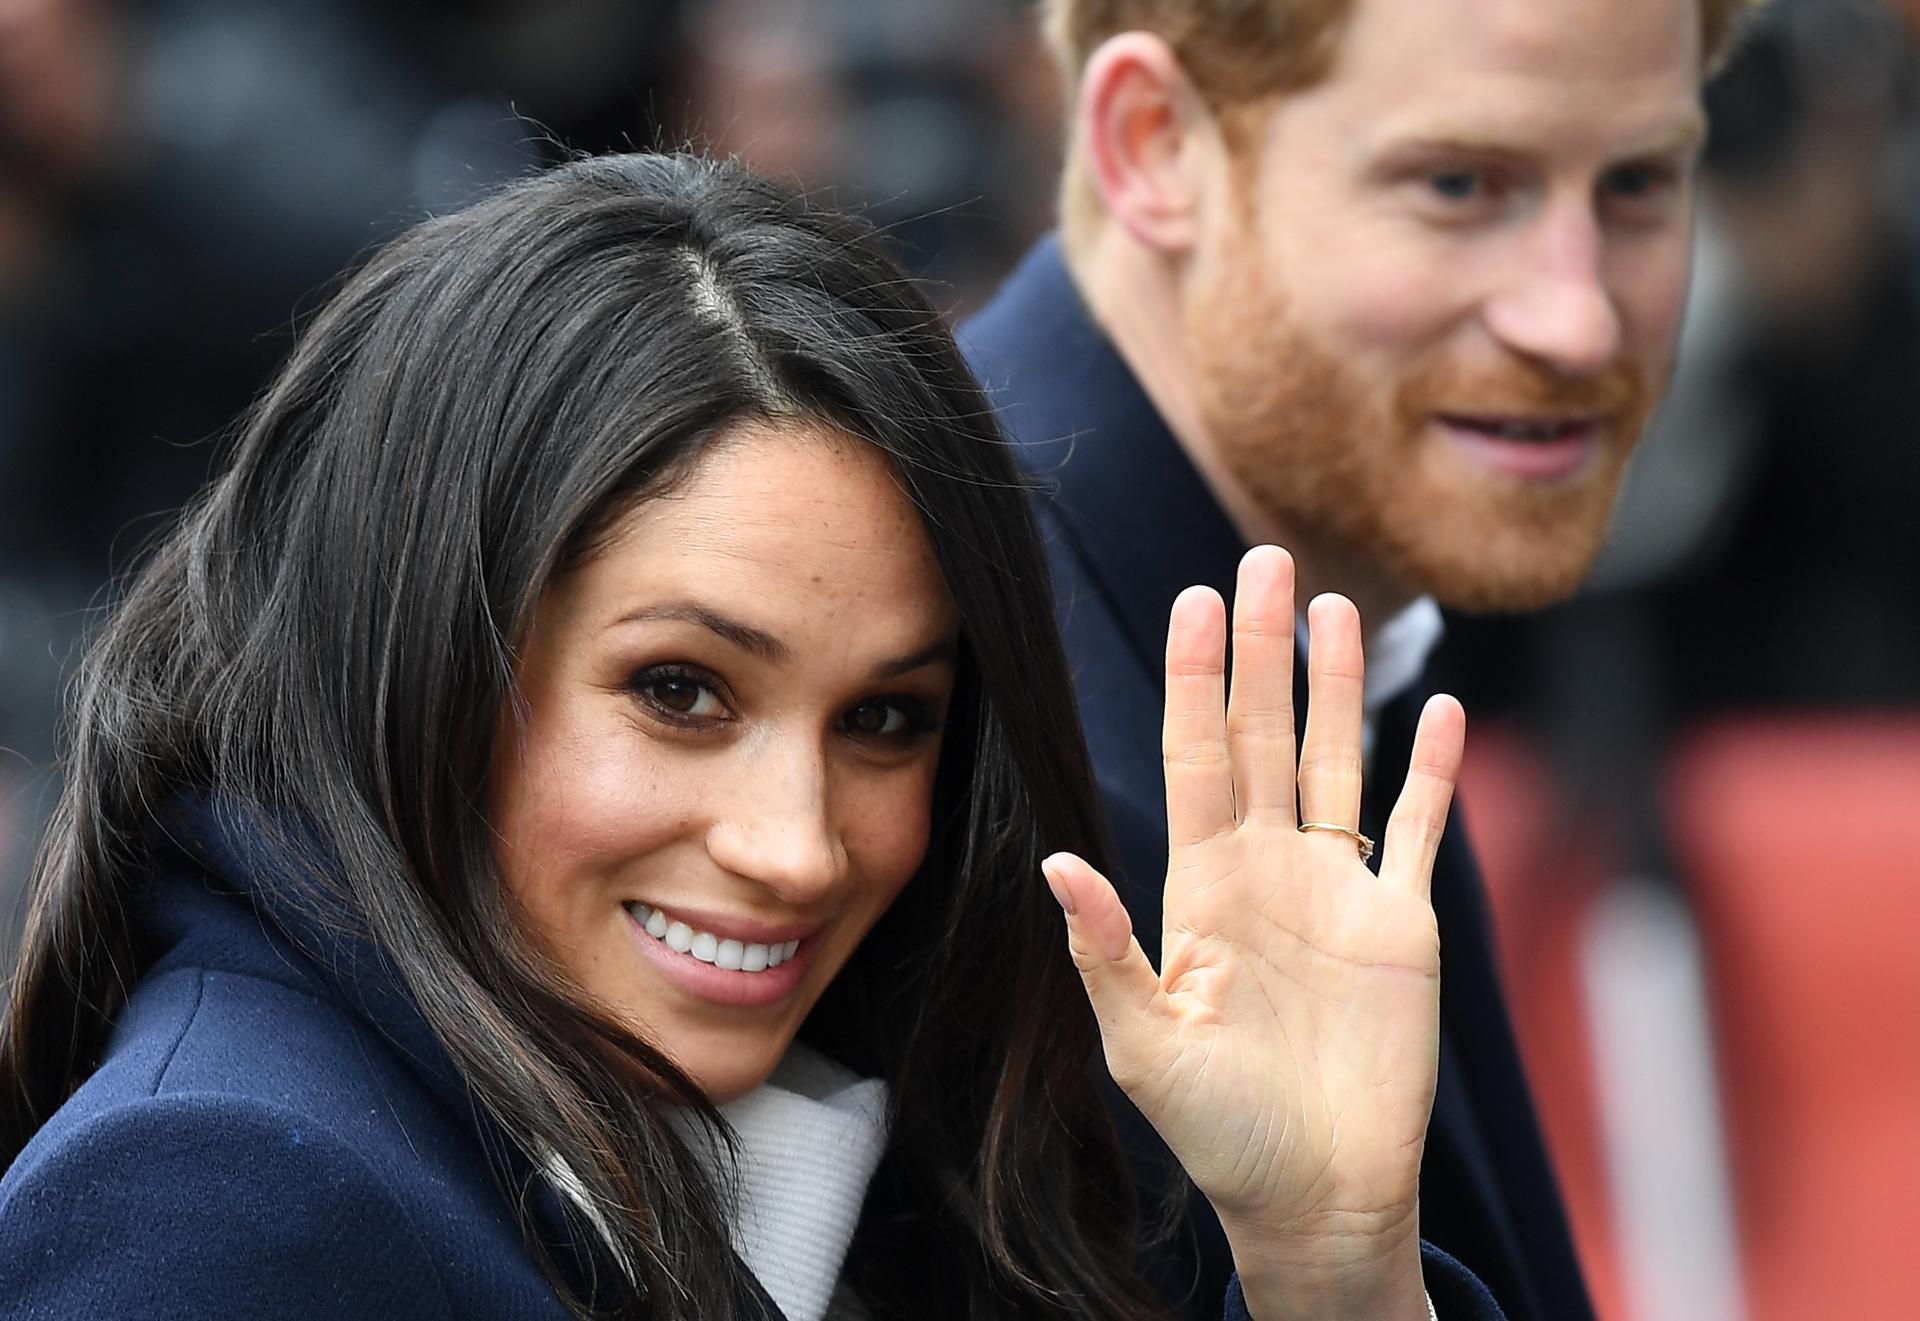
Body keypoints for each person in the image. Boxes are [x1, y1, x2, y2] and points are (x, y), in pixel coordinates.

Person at [0, 153, 1493, 1319]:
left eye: (888, 719)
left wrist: (1327, 1266)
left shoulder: (901, 1161)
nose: (798, 845)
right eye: (681, 690)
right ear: (407, 656)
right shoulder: (223, 1199)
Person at [959, 1, 1763, 1317]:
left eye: (1637, 183)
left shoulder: (1301, 648)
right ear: (1154, 147)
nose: (1579, 322)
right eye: (1458, 184)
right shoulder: (967, 732)